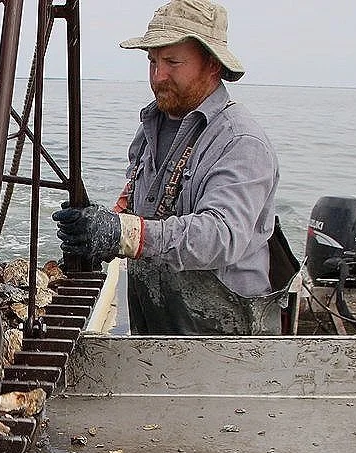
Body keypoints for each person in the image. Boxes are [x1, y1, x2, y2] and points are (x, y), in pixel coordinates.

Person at [54, 0, 290, 335]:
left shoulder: (241, 141)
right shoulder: (153, 124)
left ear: (212, 65)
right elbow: (135, 198)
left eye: (172, 62)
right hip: (157, 323)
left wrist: (122, 233)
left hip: (228, 341)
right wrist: (97, 229)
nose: (158, 75)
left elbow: (221, 237)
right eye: (152, 61)